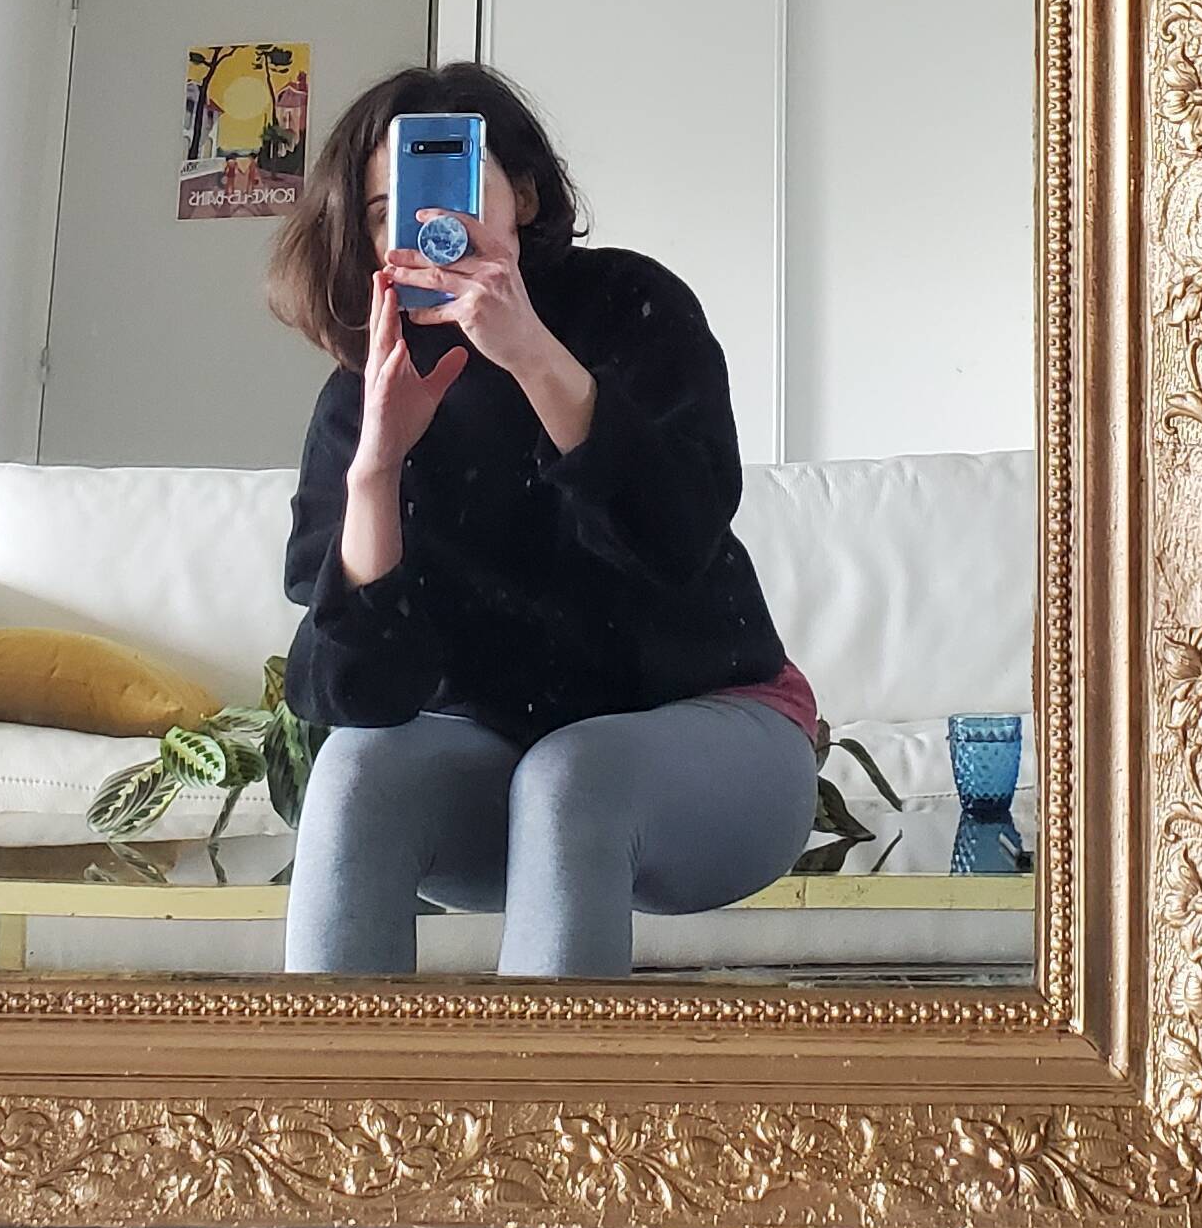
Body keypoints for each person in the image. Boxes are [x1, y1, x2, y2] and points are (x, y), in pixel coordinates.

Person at [265, 63, 819, 978]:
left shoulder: (633, 307)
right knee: (356, 776)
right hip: (496, 769)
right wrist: (377, 468)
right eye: (385, 211)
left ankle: (546, 1083)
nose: (430, 226)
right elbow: (358, 696)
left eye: (452, 192)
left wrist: (533, 357)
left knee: (574, 773)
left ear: (522, 194)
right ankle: (333, 1078)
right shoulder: (362, 391)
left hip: (715, 735)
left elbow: (678, 537)